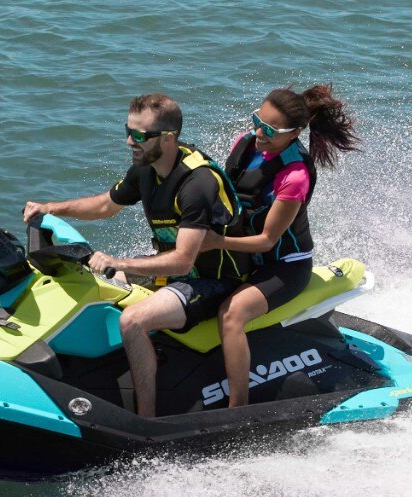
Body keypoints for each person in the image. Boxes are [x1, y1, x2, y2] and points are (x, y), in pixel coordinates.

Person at [23, 93, 245, 418]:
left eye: (140, 135)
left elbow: (184, 260)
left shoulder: (196, 185)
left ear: (168, 138)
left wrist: (119, 262)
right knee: (98, 284)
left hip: (213, 281)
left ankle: (146, 419)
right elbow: (104, 206)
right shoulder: (145, 170)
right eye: (127, 130)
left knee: (132, 321)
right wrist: (50, 208)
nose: (130, 141)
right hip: (177, 273)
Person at [203, 85, 361, 408]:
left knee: (230, 315)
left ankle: (237, 408)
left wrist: (215, 242)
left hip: (284, 266)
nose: (259, 132)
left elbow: (267, 240)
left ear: (295, 133)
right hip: (240, 256)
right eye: (257, 121)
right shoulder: (245, 144)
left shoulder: (295, 175)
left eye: (270, 130)